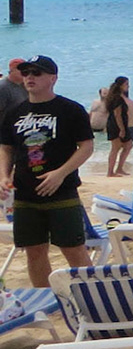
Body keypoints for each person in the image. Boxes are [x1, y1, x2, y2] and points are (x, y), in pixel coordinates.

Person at [0, 56, 96, 288]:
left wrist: (61, 172)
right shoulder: (14, 112)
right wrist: (3, 175)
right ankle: (46, 297)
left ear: (53, 78)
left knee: (74, 250)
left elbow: (86, 146)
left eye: (37, 73)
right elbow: (6, 147)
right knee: (34, 251)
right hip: (25, 194)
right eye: (26, 73)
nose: (30, 77)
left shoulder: (70, 109)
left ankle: (93, 296)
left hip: (61, 192)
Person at [96, 76, 133, 178]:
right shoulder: (117, 99)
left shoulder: (121, 97)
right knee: (115, 148)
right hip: (116, 125)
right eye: (126, 84)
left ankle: (119, 168)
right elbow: (117, 115)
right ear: (120, 86)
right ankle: (110, 172)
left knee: (128, 146)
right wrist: (122, 129)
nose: (128, 86)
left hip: (123, 125)